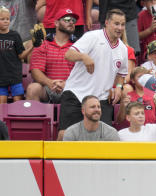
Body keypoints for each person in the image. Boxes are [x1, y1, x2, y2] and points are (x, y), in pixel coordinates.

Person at [57, 8, 128, 140]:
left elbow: (121, 74)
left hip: (101, 98)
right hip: (76, 93)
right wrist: (84, 57)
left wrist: (118, 87)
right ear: (107, 22)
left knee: (105, 138)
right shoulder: (92, 37)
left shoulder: (123, 49)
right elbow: (68, 54)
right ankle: (56, 161)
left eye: (122, 24)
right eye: (116, 23)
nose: (120, 27)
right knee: (64, 135)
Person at [26, 8, 77, 103]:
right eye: (66, 19)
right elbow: (35, 71)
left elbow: (83, 74)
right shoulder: (43, 43)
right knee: (33, 88)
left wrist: (67, 84)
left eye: (73, 20)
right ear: (56, 23)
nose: (71, 22)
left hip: (72, 88)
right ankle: (34, 118)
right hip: (48, 88)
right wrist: (50, 83)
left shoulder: (79, 45)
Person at [0, 6, 32, 103]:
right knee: (2, 106)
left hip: (15, 76)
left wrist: (32, 47)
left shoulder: (15, 35)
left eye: (8, 19)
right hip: (1, 78)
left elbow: (21, 55)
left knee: (18, 104)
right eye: (2, 19)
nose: (6, 21)